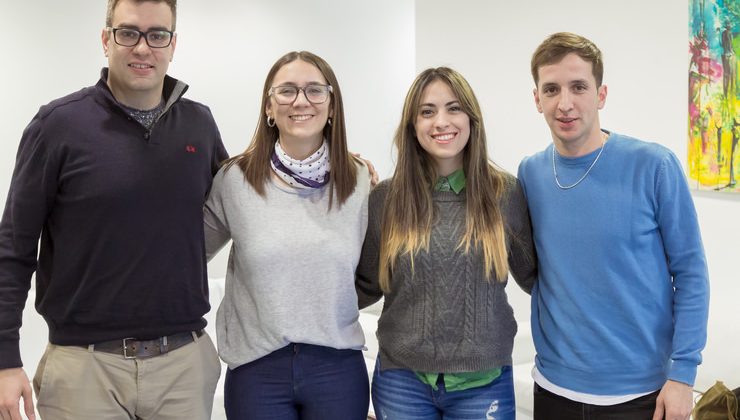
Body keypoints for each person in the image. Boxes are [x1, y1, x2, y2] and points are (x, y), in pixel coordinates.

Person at [0, 0, 227, 419]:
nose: (143, 47)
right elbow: (13, 249)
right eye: (128, 33)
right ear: (106, 39)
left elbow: (245, 199)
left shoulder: (200, 124)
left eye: (158, 35)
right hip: (84, 369)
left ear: (173, 45)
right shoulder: (57, 125)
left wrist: (329, 164)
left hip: (183, 365)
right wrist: (4, 358)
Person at [517, 32, 710, 420]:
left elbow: (691, 274)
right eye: (551, 89)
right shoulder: (530, 173)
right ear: (537, 99)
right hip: (554, 390)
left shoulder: (654, 166)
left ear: (601, 94)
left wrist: (683, 376)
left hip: (642, 395)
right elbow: (536, 268)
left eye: (579, 87)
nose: (565, 103)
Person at [356, 67, 537, 420]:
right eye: (427, 111)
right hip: (401, 381)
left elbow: (536, 279)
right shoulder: (385, 199)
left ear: (471, 118)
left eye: (454, 108)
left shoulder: (506, 193)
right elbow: (364, 287)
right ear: (412, 125)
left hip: (484, 382)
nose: (441, 121)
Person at [203, 50, 371, 420]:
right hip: (257, 371)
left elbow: (373, 273)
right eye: (287, 91)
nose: (301, 101)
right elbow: (188, 254)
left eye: (315, 91)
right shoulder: (235, 180)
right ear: (269, 107)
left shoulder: (359, 180)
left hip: (337, 369)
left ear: (331, 107)